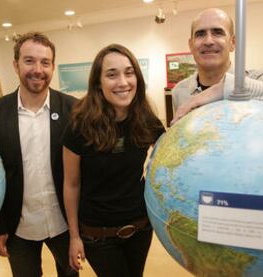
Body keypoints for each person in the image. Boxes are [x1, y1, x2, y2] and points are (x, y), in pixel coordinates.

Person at [61, 44, 165, 277]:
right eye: (111, 74)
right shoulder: (80, 126)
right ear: (98, 83)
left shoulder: (146, 120)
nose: (123, 82)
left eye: (129, 73)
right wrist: (74, 236)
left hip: (140, 228)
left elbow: (171, 157)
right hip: (98, 235)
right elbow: (71, 184)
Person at [0, 32, 79, 277]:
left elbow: (83, 170)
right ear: (15, 65)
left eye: (45, 62)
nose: (38, 69)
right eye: (29, 61)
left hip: (64, 224)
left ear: (53, 66)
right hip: (19, 227)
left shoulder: (73, 109)